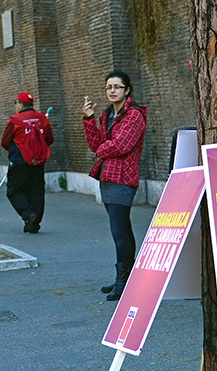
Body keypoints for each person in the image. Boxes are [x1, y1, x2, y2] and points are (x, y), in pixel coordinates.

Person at [82, 71, 147, 301]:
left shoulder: (134, 115)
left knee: (119, 231)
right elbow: (95, 144)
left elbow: (121, 145)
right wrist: (89, 118)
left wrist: (102, 149)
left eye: (117, 87)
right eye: (109, 87)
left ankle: (123, 281)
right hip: (108, 178)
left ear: (127, 90)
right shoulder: (107, 115)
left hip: (123, 178)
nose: (112, 91)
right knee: (122, 230)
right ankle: (126, 278)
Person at [0, 92, 54, 233]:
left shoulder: (15, 120)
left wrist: (15, 150)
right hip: (38, 161)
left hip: (20, 161)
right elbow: (50, 139)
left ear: (21, 104)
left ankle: (28, 214)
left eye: (16, 103)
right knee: (36, 191)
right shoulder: (42, 118)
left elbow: (5, 142)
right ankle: (34, 224)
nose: (15, 106)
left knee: (14, 191)